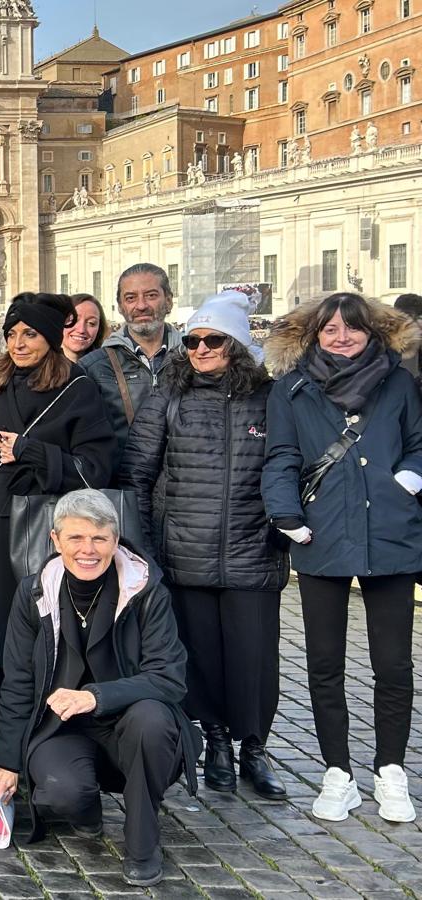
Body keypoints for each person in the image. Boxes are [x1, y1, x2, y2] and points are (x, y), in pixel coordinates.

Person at [261, 292, 422, 824]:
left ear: (371, 332)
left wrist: (405, 479)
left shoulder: (397, 381)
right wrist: (287, 516)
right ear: (315, 335)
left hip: (389, 531)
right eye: (330, 330)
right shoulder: (293, 388)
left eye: (351, 329)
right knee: (325, 662)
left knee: (393, 663)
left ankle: (391, 768)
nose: (341, 337)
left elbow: (418, 442)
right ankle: (338, 771)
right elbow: (281, 455)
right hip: (322, 531)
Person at [123, 291, 287, 800]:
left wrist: (278, 528)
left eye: (212, 340)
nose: (200, 349)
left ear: (236, 344)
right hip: (185, 551)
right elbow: (137, 473)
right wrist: (147, 544)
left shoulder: (270, 397)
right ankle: (215, 738)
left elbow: (288, 466)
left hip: (251, 549)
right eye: (192, 341)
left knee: (254, 657)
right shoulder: (168, 397)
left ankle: (254, 748)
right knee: (201, 656)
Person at [0, 490, 196, 888]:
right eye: (76, 538)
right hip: (60, 729)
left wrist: (95, 696)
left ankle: (142, 844)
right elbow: (17, 682)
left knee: (152, 718)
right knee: (58, 794)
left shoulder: (147, 590)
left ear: (116, 541)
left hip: (130, 726)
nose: (89, 549)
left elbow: (169, 677)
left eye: (100, 539)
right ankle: (86, 810)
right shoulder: (33, 592)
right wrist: (8, 761)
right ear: (55, 541)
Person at [0, 293, 116, 767]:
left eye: (28, 333)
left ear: (50, 338)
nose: (17, 343)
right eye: (11, 334)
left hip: (48, 526)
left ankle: (48, 729)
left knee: (48, 628)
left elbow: (96, 468)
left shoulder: (78, 389)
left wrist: (31, 451)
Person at [79, 264, 183, 460]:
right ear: (120, 307)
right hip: (122, 483)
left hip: (183, 482)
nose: (141, 305)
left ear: (168, 301)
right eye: (131, 298)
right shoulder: (93, 367)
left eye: (151, 295)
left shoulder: (194, 360)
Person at [63, 293, 106, 362]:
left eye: (91, 323)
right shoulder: (41, 366)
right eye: (73, 320)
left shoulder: (108, 368)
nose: (81, 330)